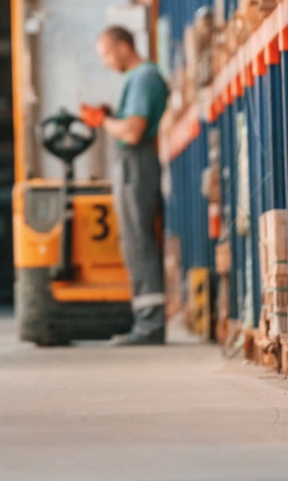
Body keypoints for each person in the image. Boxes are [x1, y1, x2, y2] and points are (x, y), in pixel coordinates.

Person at [79, 25, 169, 346]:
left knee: (138, 242)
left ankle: (150, 325)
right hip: (133, 163)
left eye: (106, 54)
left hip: (137, 163)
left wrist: (102, 121)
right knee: (134, 240)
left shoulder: (144, 77)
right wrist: (111, 114)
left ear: (122, 47)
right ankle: (147, 321)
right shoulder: (139, 78)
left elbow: (132, 131)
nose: (105, 62)